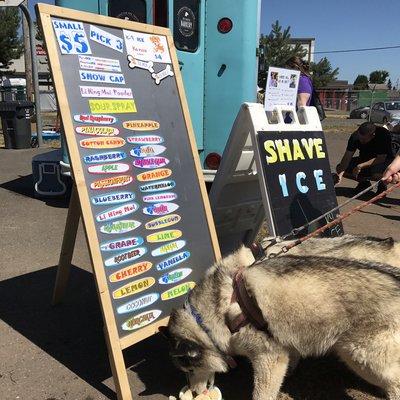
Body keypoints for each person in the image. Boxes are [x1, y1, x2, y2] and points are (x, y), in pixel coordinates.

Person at [333, 122, 393, 194]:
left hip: (383, 161)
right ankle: (364, 183)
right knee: (340, 168)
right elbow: (347, 157)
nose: (361, 141)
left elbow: (381, 158)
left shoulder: (383, 135)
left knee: (376, 174)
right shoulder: (355, 136)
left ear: (372, 135)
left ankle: (382, 184)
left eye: (364, 139)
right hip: (364, 159)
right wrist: (340, 174)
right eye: (360, 138)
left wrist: (361, 166)